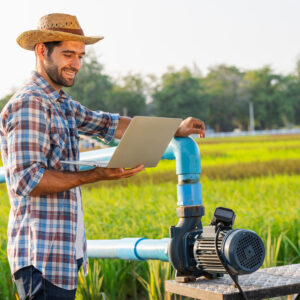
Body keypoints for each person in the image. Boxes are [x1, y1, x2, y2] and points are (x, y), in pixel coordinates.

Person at [0, 13, 205, 300]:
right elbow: (27, 180)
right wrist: (95, 174)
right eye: (68, 54)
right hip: (41, 255)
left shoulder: (60, 102)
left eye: (80, 56)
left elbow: (108, 124)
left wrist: (175, 127)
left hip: (60, 255)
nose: (76, 64)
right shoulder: (30, 104)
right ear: (41, 50)